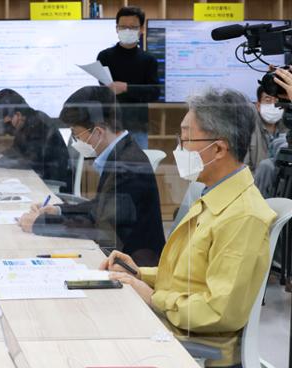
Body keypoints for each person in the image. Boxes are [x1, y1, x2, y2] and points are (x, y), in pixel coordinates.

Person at [101, 88, 276, 368]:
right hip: (176, 327)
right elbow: (191, 277)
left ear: (218, 148)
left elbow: (219, 309)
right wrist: (137, 274)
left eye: (185, 138)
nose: (179, 147)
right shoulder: (212, 194)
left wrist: (154, 297)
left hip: (198, 346)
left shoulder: (244, 215)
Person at [18, 86, 164, 266]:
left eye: (75, 133)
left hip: (133, 265)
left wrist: (41, 223)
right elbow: (100, 207)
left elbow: (102, 226)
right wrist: (59, 210)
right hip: (116, 252)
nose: (75, 140)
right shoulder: (122, 152)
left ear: (98, 132)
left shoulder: (127, 165)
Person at [96, 6, 159, 149]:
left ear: (141, 29)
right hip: (110, 125)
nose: (127, 30)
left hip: (138, 126)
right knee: (110, 168)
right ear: (117, 28)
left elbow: (154, 92)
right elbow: (102, 89)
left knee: (139, 167)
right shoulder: (104, 56)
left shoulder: (149, 60)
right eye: (123, 27)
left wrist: (126, 88)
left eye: (133, 27)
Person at [0, 89, 70, 189]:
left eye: (7, 123)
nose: (6, 130)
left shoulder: (38, 124)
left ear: (18, 115)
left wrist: (0, 161)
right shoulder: (27, 124)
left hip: (50, 183)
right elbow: (17, 150)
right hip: (37, 178)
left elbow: (30, 162)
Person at [244, 85, 287, 172]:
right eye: (268, 100)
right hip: (256, 183)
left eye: (277, 101)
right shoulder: (247, 129)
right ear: (258, 106)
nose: (273, 105)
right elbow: (243, 168)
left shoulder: (288, 127)